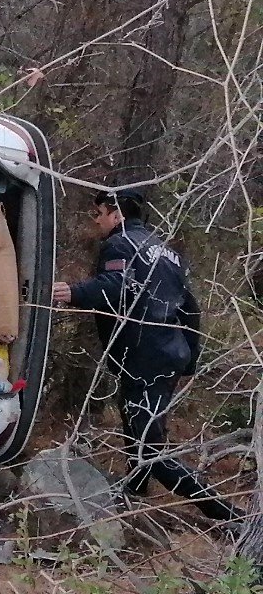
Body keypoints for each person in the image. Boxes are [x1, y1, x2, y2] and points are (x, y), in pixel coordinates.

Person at [52, 188, 242, 521]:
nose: (96, 223)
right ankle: (133, 495)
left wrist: (74, 292)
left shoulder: (120, 243)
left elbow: (116, 284)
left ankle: (231, 516)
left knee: (150, 450)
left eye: (99, 214)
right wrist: (189, 360)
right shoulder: (165, 251)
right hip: (166, 355)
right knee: (136, 429)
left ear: (116, 213)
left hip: (145, 358)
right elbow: (190, 309)